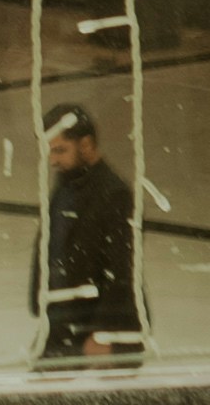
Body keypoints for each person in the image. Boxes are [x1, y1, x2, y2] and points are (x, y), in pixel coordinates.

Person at [35, 99, 143, 361]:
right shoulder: (68, 183)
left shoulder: (114, 194)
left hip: (99, 330)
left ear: (86, 144)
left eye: (60, 150)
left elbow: (122, 268)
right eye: (50, 151)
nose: (53, 160)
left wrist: (103, 332)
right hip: (66, 322)